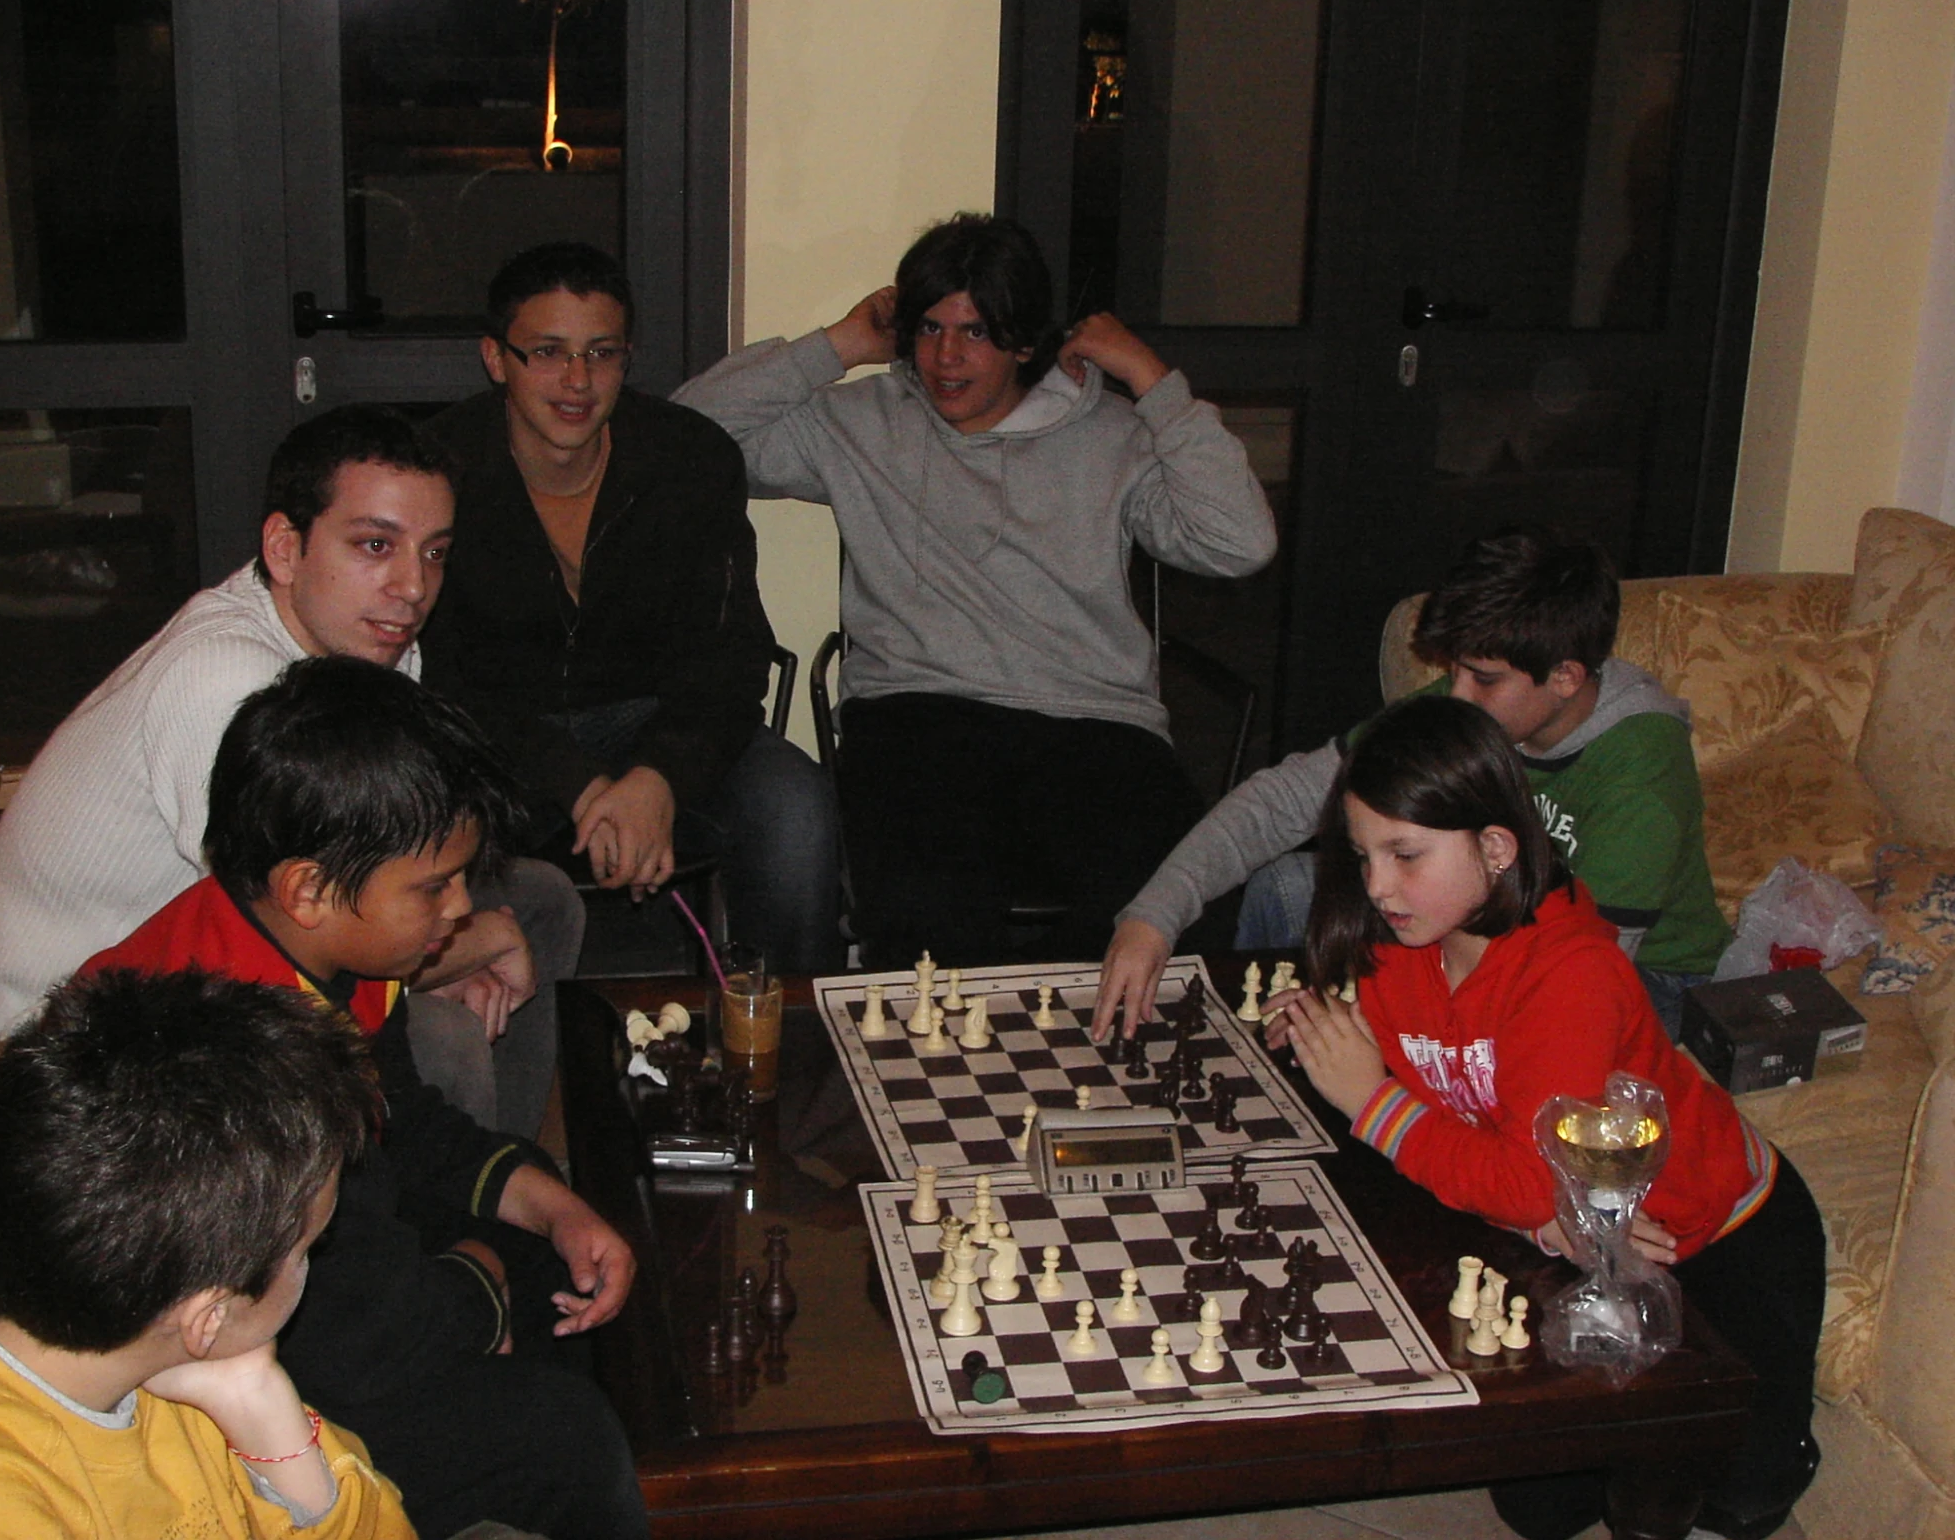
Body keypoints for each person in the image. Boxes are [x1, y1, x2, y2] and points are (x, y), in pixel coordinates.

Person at [71, 655, 648, 1540]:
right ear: (308, 887)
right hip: (162, 1418)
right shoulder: (248, 1064)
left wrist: (552, 1207)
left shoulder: (310, 951)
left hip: (295, 1315)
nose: (460, 908)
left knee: (545, 1258)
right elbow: (362, 1346)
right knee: (569, 1437)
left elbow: (398, 1123)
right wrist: (487, 1282)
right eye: (432, 886)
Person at [1263, 694, 1822, 1540]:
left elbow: (1513, 1180)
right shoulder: (1397, 944)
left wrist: (1374, 1103)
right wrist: (1550, 1224)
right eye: (1363, 853)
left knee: (1742, 1496)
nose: (1377, 887)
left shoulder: (1572, 974)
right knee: (1539, 1507)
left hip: (1721, 1231)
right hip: (1583, 1236)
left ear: (1495, 848)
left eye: (1405, 855)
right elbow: (1502, 1165)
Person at [676, 212, 1277, 967]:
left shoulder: (1111, 436)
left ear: (1027, 342)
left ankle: (1062, 1040)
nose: (946, 359)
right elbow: (683, 439)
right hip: (918, 711)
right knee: (927, 920)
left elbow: (1241, 541)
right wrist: (839, 345)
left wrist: (1153, 382)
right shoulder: (865, 421)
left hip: (1092, 720)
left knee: (1184, 902)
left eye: (977, 334)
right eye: (928, 330)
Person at [0, 404, 576, 1135]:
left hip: (233, 944)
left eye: (434, 552)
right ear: (285, 549)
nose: (413, 588)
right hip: (94, 1036)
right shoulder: (226, 683)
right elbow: (285, 943)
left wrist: (474, 937)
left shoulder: (368, 643)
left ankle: (493, 1174)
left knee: (543, 899)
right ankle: (412, 1228)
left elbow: (381, 862)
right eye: (375, 545)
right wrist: (478, 941)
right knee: (442, 1043)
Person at [1097, 528, 1727, 1039]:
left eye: (1481, 677)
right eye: (1453, 670)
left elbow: (1588, 972)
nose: (1455, 695)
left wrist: (1397, 1011)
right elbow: (1283, 800)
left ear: (1563, 677)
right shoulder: (1472, 705)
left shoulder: (1643, 766)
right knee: (1286, 889)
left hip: (1641, 976)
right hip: (1468, 923)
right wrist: (1153, 918)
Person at [0, 966, 413, 1539]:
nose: (313, 1263)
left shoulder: (168, 1360)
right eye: (307, 1250)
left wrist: (271, 1423)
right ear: (209, 1317)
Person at [421, 241, 842, 972]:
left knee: (795, 811)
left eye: (602, 353)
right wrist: (579, 783)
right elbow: (442, 679)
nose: (577, 381)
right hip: (498, 746)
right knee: (420, 834)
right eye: (547, 352)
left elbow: (732, 654)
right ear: (496, 359)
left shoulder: (690, 457)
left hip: (663, 718)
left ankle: (783, 1040)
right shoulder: (438, 470)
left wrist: (657, 777)